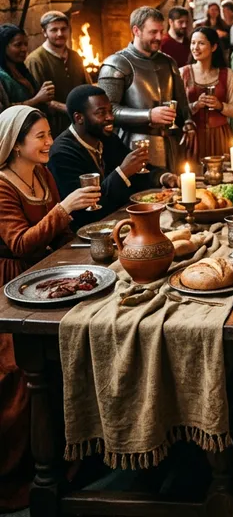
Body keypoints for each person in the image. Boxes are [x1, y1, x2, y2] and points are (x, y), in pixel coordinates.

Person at [0, 106, 100, 511]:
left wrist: (90, 238)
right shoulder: (2, 185)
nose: (48, 142)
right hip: (11, 284)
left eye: (47, 134)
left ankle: (74, 449)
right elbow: (19, 243)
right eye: (40, 136)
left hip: (48, 275)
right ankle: (30, 473)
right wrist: (65, 209)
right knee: (20, 370)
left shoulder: (41, 173)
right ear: (15, 144)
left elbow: (62, 229)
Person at [48, 86, 174, 228]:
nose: (110, 117)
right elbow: (85, 212)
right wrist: (122, 172)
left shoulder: (106, 138)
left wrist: (164, 177)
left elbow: (138, 171)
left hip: (119, 221)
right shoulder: (62, 153)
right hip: (86, 233)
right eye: (101, 113)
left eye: (110, 111)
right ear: (79, 118)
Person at [97, 7, 195, 172]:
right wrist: (149, 115)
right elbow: (107, 112)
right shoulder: (116, 64)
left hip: (171, 148)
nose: (159, 37)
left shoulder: (168, 63)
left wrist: (188, 123)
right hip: (132, 147)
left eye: (161, 31)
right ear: (136, 30)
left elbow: (182, 104)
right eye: (153, 32)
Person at [25, 11, 91, 137]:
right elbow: (39, 99)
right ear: (44, 32)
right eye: (54, 30)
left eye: (63, 29)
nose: (60, 34)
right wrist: (69, 109)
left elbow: (86, 86)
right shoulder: (36, 60)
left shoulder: (75, 56)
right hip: (52, 127)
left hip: (78, 124)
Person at [180, 27, 233, 158]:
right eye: (193, 42)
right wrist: (196, 105)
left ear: (213, 47)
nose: (195, 47)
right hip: (193, 136)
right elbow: (177, 111)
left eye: (201, 43)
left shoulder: (228, 74)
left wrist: (220, 106)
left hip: (220, 135)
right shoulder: (182, 73)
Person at [0, 25, 55, 112]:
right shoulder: (2, 76)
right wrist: (36, 99)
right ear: (3, 47)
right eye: (18, 45)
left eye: (25, 44)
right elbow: (4, 110)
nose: (24, 49)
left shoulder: (22, 71)